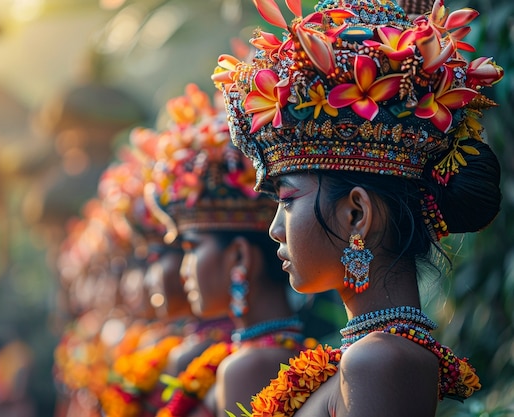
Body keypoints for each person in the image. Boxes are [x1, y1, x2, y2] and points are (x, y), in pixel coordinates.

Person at [212, 0, 503, 416]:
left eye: (288, 200)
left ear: (357, 215)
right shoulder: (367, 356)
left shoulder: (379, 360)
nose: (275, 227)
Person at [146, 84, 331, 416]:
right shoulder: (257, 352)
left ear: (240, 257)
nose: (183, 269)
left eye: (191, 249)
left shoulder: (248, 364)